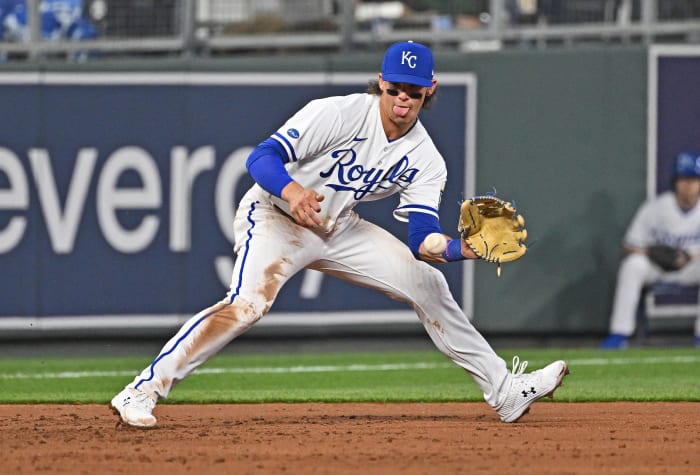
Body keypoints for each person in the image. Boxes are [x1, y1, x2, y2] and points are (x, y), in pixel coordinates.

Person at [111, 41, 569, 428]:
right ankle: (142, 390)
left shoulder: (427, 159)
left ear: (430, 90)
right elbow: (262, 158)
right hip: (274, 216)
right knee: (249, 305)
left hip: (337, 227)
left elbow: (421, 237)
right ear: (380, 83)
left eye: (413, 90)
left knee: (428, 282)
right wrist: (292, 192)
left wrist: (460, 248)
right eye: (394, 89)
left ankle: (505, 392)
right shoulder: (341, 113)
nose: (402, 99)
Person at [601, 151, 700, 349]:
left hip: (691, 268)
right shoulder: (656, 208)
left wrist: (689, 255)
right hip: (658, 268)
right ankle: (619, 334)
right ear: (675, 182)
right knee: (632, 265)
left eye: (693, 179)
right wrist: (653, 253)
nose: (688, 185)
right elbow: (629, 246)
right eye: (683, 179)